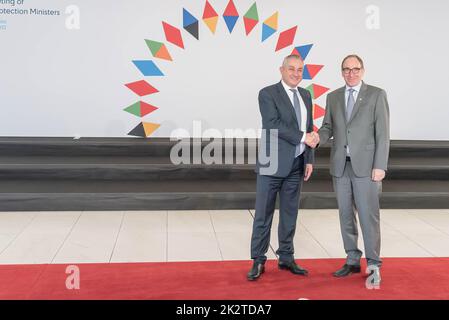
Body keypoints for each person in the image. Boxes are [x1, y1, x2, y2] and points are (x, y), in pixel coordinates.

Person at [311, 54, 390, 287]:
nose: (351, 73)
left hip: (367, 167)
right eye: (346, 69)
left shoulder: (377, 95)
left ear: (363, 71)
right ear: (341, 72)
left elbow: (383, 134)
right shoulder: (333, 97)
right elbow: (328, 127)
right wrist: (318, 137)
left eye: (355, 69)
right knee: (345, 214)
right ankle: (352, 259)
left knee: (368, 216)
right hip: (340, 165)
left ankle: (374, 263)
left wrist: (380, 166)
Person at [247, 54, 317, 281]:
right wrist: (304, 137)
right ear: (281, 69)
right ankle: (258, 259)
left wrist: (309, 159)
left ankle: (286, 256)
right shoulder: (267, 93)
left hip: (296, 164)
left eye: (300, 70)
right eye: (291, 69)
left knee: (290, 213)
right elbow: (272, 124)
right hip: (271, 163)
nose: (296, 73)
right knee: (263, 214)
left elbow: (309, 128)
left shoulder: (306, 95)